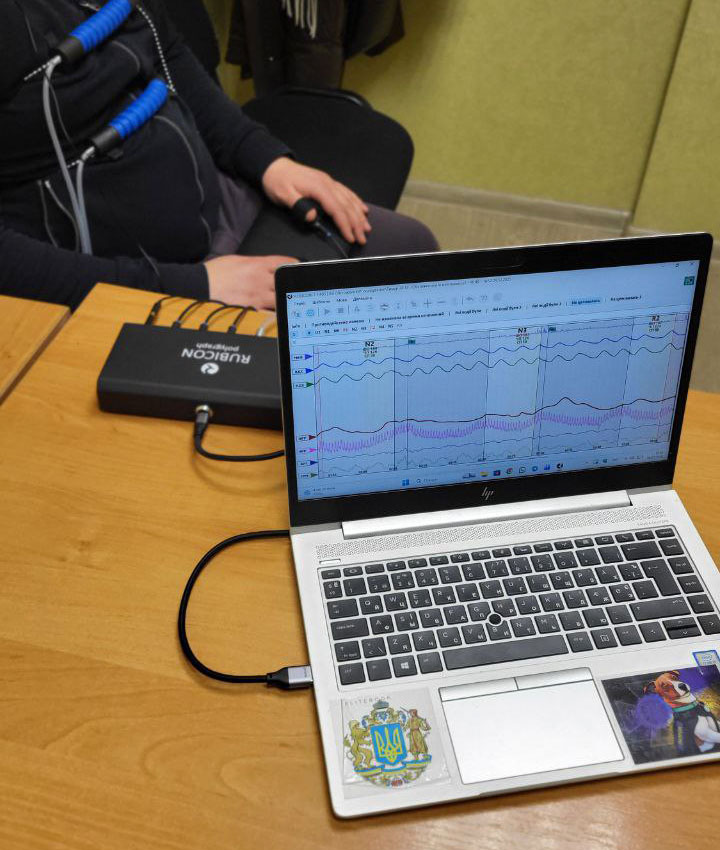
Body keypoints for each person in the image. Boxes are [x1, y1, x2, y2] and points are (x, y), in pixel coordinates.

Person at [0, 0, 437, 310]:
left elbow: (166, 50)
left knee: (412, 255)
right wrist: (192, 286)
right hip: (126, 279)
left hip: (214, 205)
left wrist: (266, 159)